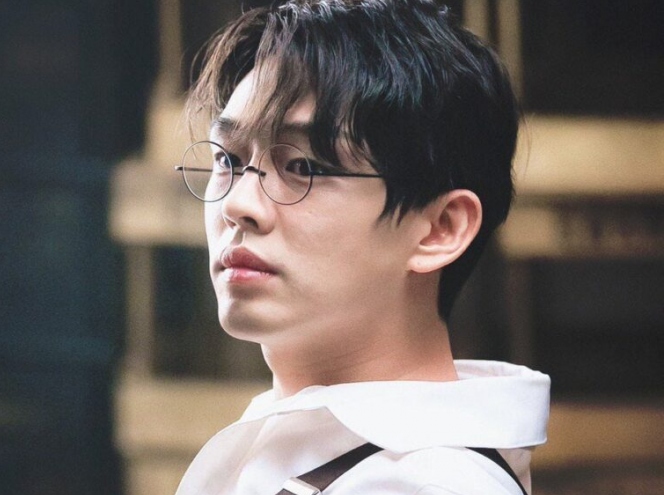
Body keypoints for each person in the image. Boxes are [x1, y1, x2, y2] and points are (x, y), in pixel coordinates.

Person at [173, 1, 550, 494]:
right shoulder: (303, 445)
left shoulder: (426, 484)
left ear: (439, 229)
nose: (238, 205)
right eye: (228, 159)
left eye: (304, 167)